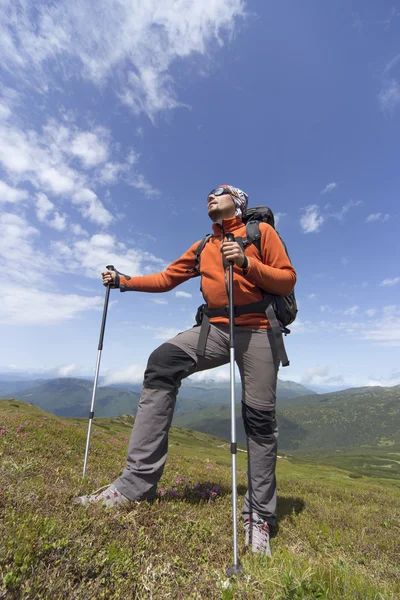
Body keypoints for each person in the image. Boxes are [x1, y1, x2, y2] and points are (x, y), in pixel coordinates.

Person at [74, 185, 296, 556]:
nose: (211, 196)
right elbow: (166, 278)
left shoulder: (261, 234)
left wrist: (245, 262)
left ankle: (259, 516)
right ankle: (135, 485)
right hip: (215, 329)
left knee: (259, 419)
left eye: (221, 192)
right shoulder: (203, 247)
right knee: (162, 363)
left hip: (258, 330)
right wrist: (124, 282)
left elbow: (287, 279)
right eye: (208, 193)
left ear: (238, 202)